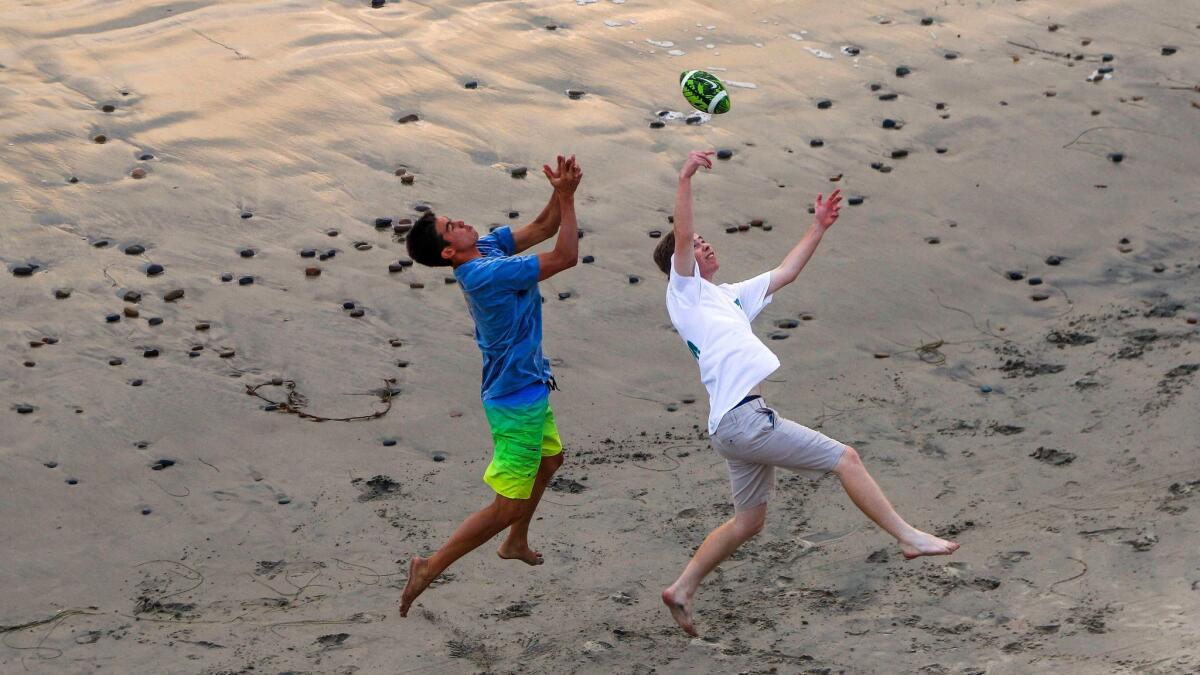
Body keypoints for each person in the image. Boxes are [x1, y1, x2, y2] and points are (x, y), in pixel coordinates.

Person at [654, 150, 959, 637]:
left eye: (707, 243)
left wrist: (819, 227)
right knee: (847, 459)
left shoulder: (728, 297)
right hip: (746, 422)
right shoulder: (684, 293)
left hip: (730, 427)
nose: (705, 247)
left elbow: (785, 273)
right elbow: (684, 232)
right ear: (681, 262)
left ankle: (682, 589)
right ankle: (909, 536)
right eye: (697, 245)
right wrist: (685, 176)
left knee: (749, 522)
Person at [398, 155, 583, 617]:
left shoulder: (488, 248)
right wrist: (568, 197)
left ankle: (515, 541)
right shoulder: (485, 274)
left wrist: (559, 194)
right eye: (449, 226)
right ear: (448, 252)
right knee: (504, 505)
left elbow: (543, 227)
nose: (459, 222)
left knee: (551, 459)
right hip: (515, 397)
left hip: (529, 384)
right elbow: (565, 256)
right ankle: (430, 566)